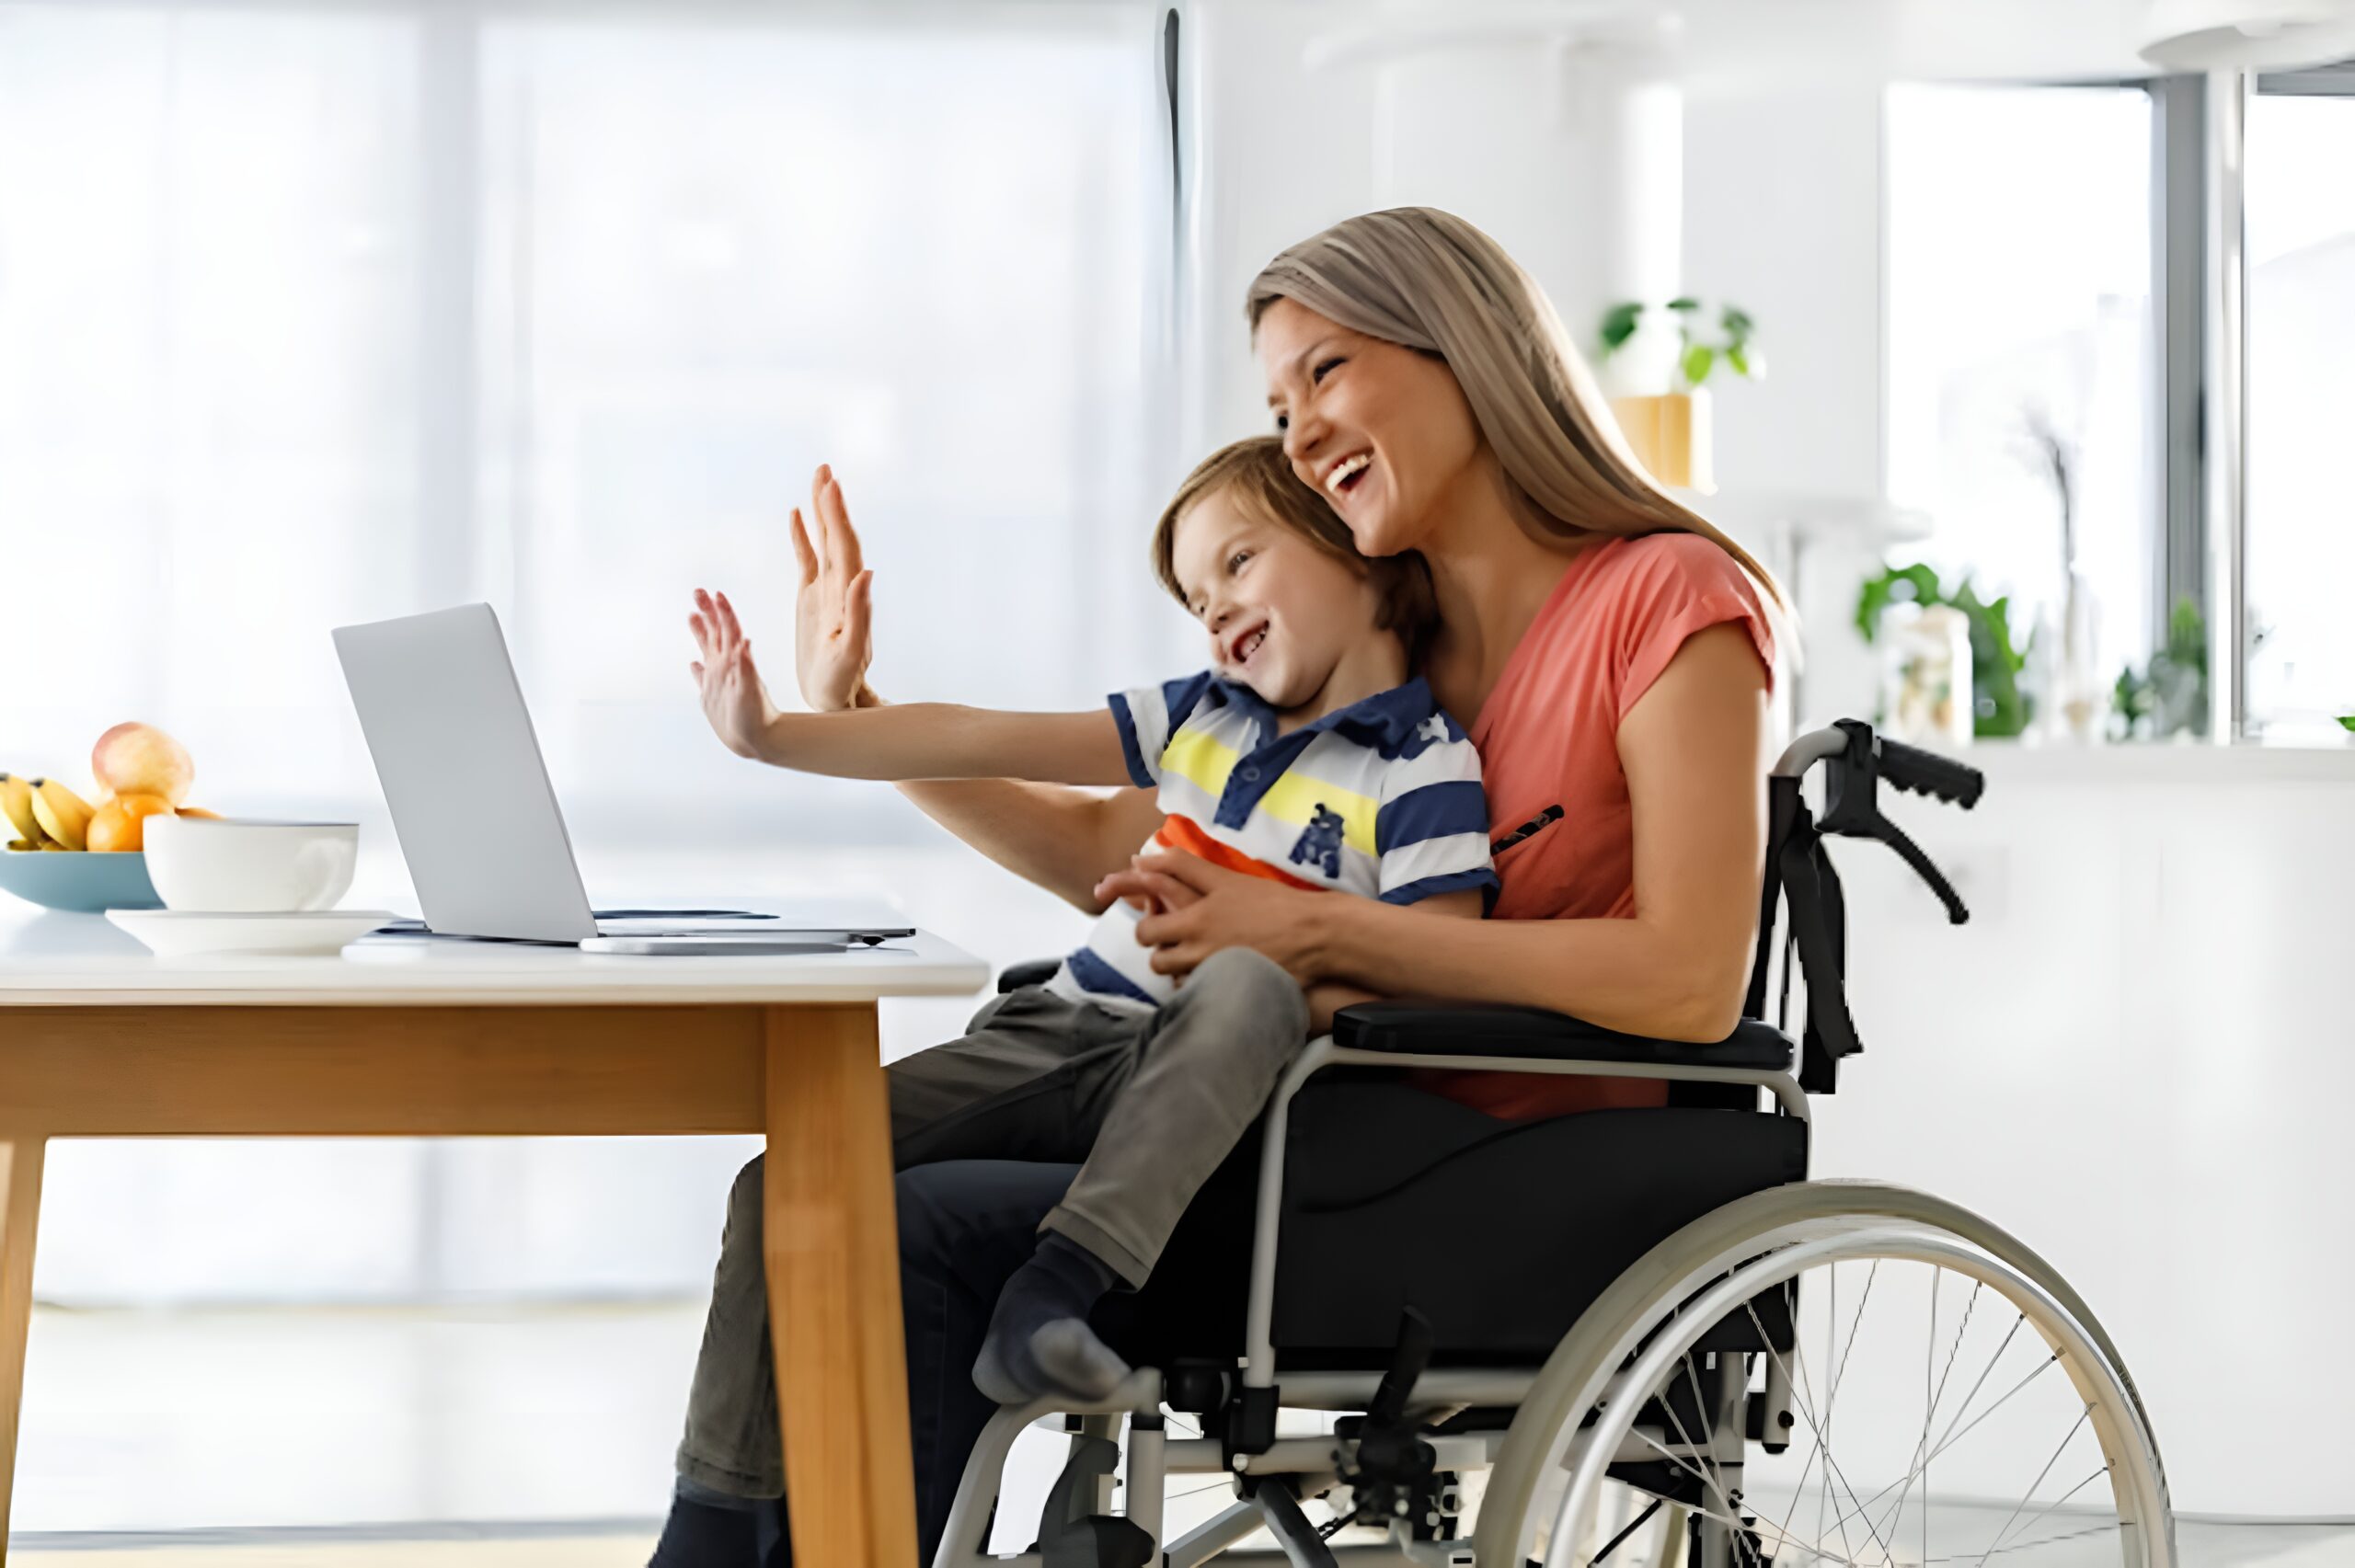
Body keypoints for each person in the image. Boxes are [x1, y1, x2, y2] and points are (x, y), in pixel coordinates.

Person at [653, 205, 1782, 1567]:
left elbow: (1691, 978)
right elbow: (1111, 860)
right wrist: (856, 716)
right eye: (1278, 399)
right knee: (816, 1187)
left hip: (1470, 1175)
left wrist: (1306, 928)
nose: (1299, 428)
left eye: (1327, 371)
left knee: (914, 1229)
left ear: (1466, 350)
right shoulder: (1375, 656)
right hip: (1289, 1132)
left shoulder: (1669, 601)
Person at [654, 436, 1490, 1564]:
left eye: (1239, 563)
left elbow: (1441, 965)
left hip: (1208, 1083)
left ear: (1364, 553)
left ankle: (1055, 1293)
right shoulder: (1207, 714)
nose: (1215, 610)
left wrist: (1274, 961)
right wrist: (788, 733)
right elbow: (978, 732)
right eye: (1197, 595)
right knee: (789, 1177)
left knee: (1245, 985)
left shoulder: (1420, 765)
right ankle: (712, 1535)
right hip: (1062, 1032)